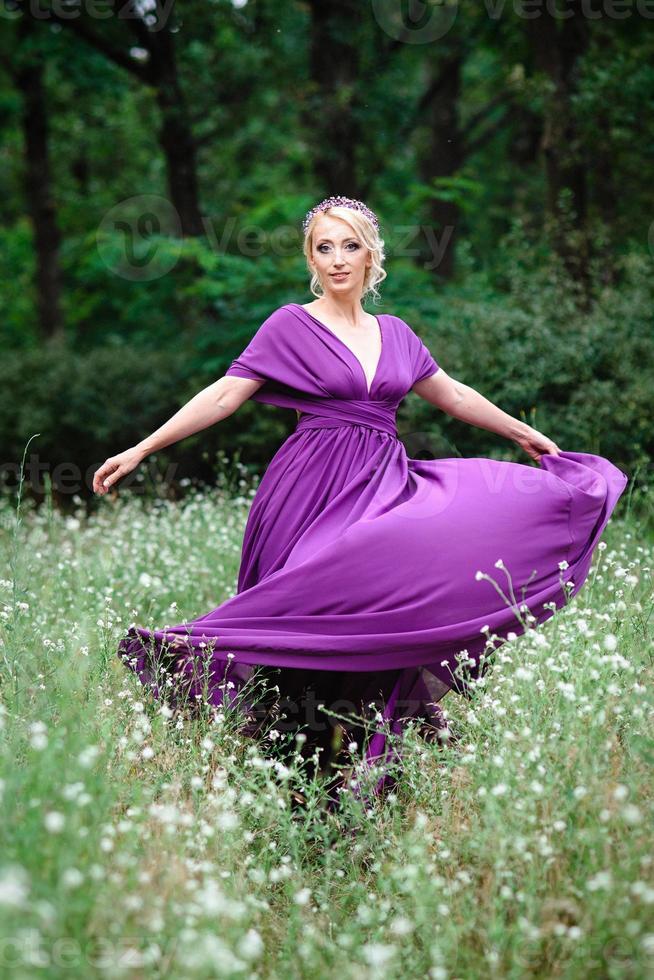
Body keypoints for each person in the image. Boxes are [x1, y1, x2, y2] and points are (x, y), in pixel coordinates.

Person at [93, 195, 629, 805]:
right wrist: (142, 448)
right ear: (311, 259)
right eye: (325, 248)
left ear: (371, 254)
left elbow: (450, 393)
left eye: (350, 245)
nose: (338, 259)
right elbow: (223, 396)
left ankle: (367, 782)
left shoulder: (395, 334)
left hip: (381, 484)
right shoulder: (289, 325)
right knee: (307, 620)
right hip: (309, 490)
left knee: (385, 606)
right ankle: (297, 786)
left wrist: (520, 431)